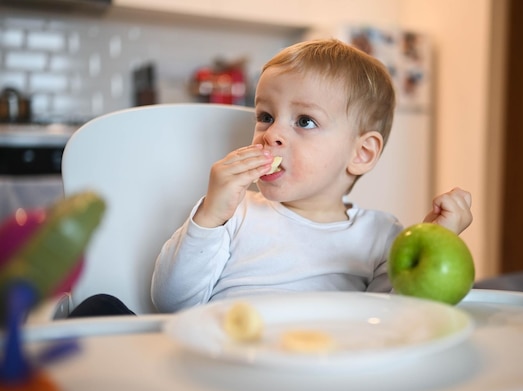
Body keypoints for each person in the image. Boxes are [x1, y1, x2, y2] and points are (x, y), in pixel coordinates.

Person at [150, 39, 472, 314]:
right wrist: (210, 216)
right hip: (229, 359)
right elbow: (171, 303)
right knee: (102, 307)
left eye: (304, 121)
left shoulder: (379, 237)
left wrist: (434, 244)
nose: (271, 133)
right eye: (265, 116)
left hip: (319, 370)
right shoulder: (234, 214)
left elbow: (394, 322)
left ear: (361, 153)